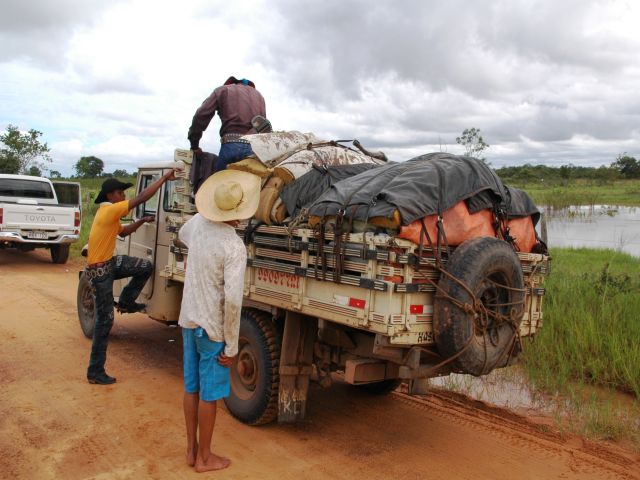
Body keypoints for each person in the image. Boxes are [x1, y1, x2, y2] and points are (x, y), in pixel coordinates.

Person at [177, 169, 260, 473]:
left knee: (191, 388)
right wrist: (232, 345)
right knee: (209, 396)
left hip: (188, 319)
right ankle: (205, 458)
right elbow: (234, 301)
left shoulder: (197, 224)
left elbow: (182, 235)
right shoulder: (233, 246)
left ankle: (190, 450)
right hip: (211, 329)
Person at [85, 171, 177, 385]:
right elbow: (142, 198)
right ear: (110, 195)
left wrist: (143, 220)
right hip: (101, 272)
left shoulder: (110, 214)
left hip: (107, 264)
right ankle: (95, 371)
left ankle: (126, 301)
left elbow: (124, 233)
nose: (124, 196)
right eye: (120, 192)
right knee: (104, 321)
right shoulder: (109, 210)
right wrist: (163, 180)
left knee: (145, 266)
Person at [187, 76, 266, 172]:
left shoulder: (222, 90)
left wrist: (194, 145)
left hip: (230, 147)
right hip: (254, 150)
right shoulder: (260, 96)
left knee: (219, 184)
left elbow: (200, 115)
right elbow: (263, 126)